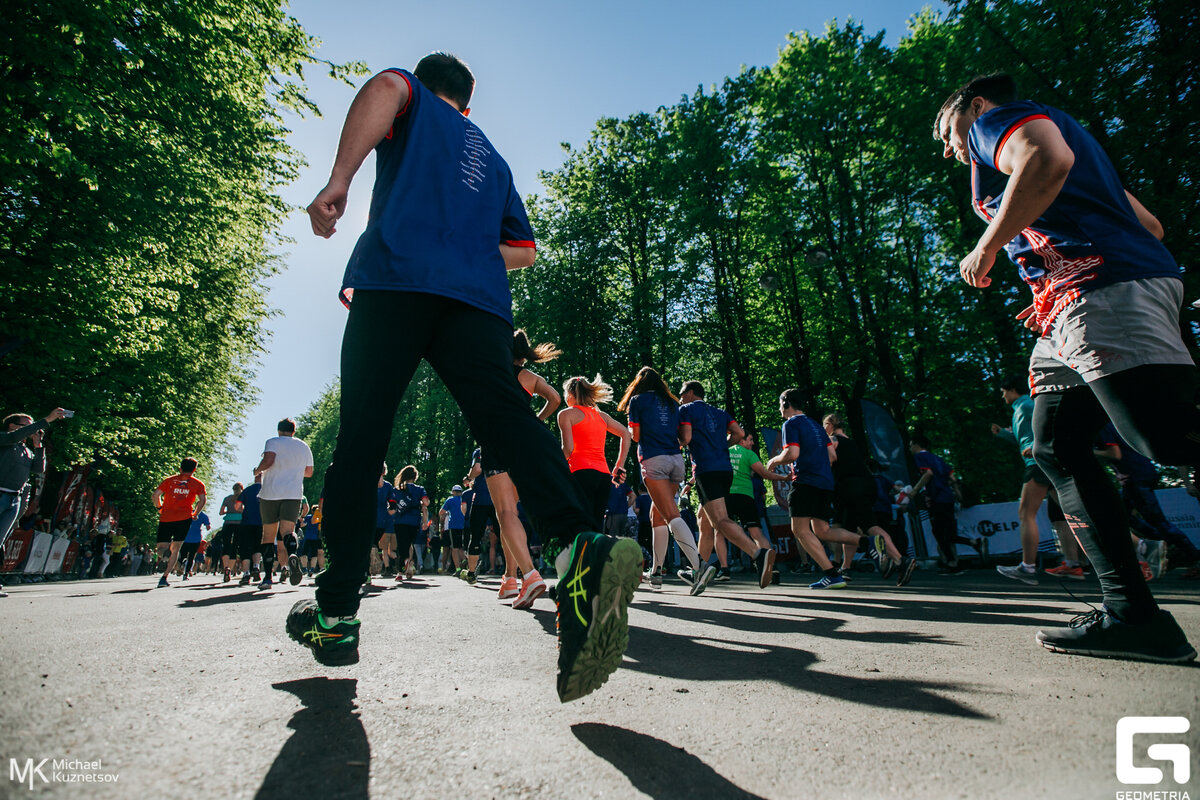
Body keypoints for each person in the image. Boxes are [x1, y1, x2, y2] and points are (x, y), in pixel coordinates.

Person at [291, 52, 642, 701]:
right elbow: (526, 253)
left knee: (363, 440)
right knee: (506, 422)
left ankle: (336, 615)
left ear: (427, 87)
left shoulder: (411, 98)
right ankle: (577, 547)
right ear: (470, 106)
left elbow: (384, 88)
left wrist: (339, 178)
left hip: (395, 278)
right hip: (477, 301)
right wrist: (468, 249)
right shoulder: (491, 156)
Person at [935, 72, 1197, 662]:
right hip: (1070, 309)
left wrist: (988, 245)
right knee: (1055, 443)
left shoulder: (992, 123)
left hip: (1102, 290)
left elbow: (1046, 159)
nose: (951, 150)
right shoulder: (1083, 149)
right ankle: (1133, 615)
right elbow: (1150, 226)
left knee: (1165, 438)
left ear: (974, 107)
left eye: (946, 135)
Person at [677, 381, 776, 595]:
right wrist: (723, 445)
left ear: (691, 393)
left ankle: (757, 554)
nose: (680, 398)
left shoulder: (685, 409)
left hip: (706, 468)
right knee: (704, 520)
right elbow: (739, 434)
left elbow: (685, 438)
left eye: (681, 394)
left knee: (720, 521)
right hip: (724, 469)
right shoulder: (720, 412)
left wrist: (672, 444)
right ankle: (698, 569)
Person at [766, 390, 863, 589]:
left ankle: (831, 575)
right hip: (825, 483)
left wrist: (773, 461)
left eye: (779, 403)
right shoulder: (818, 427)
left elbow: (792, 453)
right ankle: (868, 544)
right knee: (822, 530)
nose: (779, 408)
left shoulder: (791, 424)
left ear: (786, 403)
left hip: (805, 481)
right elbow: (832, 456)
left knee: (799, 530)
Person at [617, 367, 701, 590]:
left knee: (672, 515)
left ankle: (699, 567)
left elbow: (635, 436)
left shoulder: (637, 401)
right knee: (658, 514)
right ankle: (656, 573)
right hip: (676, 461)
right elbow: (683, 437)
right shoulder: (673, 403)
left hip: (654, 460)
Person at [991, 377, 1081, 583]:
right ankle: (1137, 545)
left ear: (1012, 389)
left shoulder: (1027, 405)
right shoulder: (1020, 409)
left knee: (1025, 513)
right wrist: (1003, 434)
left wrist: (1037, 446)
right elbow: (1023, 438)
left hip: (1038, 464)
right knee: (1076, 513)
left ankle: (1028, 567)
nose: (1002, 395)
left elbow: (1049, 425)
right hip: (1044, 462)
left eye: (1003, 391)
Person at [1095, 423, 1200, 578]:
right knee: (1121, 516)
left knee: (1157, 520)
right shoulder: (1115, 424)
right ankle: (1159, 543)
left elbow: (1114, 453)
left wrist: (1089, 451)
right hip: (1138, 474)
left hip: (1135, 476)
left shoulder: (1102, 428)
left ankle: (1191, 555)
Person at [822, 413, 912, 583]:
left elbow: (829, 460)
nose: (823, 429)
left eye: (824, 424)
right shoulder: (852, 442)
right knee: (852, 528)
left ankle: (900, 560)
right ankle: (846, 567)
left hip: (850, 487)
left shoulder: (833, 440)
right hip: (864, 486)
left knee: (870, 527)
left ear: (831, 424)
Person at [0, 408, 67, 596]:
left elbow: (39, 469)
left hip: (14, 499)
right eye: (27, 427)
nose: (31, 430)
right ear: (12, 426)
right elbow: (15, 437)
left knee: (0, 540)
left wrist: (38, 446)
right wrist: (47, 419)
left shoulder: (27, 450)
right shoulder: (5, 440)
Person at [558, 374, 631, 531]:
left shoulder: (566, 414)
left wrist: (555, 465)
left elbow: (568, 449)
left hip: (579, 473)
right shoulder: (602, 416)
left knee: (579, 524)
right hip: (603, 476)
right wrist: (619, 466)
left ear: (570, 394)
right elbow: (626, 433)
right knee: (597, 525)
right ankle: (596, 555)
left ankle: (580, 555)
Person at [254, 419, 314, 590]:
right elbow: (309, 472)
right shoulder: (303, 446)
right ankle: (293, 555)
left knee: (268, 536)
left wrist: (257, 471)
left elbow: (268, 461)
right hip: (293, 494)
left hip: (271, 493)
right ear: (293, 431)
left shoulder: (272, 442)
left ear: (279, 430)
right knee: (288, 531)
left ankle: (267, 579)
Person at [909, 434, 977, 574]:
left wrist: (915, 490)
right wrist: (959, 496)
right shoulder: (938, 458)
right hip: (948, 497)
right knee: (949, 532)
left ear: (917, 445)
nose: (910, 448)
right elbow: (952, 478)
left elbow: (927, 473)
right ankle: (966, 551)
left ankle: (953, 562)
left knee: (939, 533)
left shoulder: (920, 457)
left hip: (937, 498)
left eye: (910, 445)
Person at [152, 457, 206, 588]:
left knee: (161, 548)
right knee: (176, 548)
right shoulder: (197, 484)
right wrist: (195, 513)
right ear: (194, 470)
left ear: (180, 467)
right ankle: (164, 577)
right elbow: (202, 500)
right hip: (184, 518)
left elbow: (155, 495)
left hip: (166, 517)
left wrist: (159, 507)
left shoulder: (169, 481)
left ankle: (164, 557)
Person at [392, 465, 428, 581]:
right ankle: (407, 565)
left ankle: (401, 570)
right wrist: (425, 521)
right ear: (415, 477)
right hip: (414, 520)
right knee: (410, 544)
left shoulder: (396, 489)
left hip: (400, 520)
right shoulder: (420, 489)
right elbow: (426, 503)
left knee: (402, 545)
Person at [235, 474, 264, 586]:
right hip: (261, 522)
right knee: (258, 546)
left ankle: (246, 574)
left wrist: (245, 510)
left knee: (245, 548)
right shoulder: (267, 489)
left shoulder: (247, 490)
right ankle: (256, 567)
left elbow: (237, 506)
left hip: (247, 522)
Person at [439, 485, 467, 576]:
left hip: (454, 526)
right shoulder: (464, 499)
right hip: (465, 525)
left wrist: (447, 512)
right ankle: (466, 560)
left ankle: (458, 569)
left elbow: (441, 512)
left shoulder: (450, 500)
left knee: (454, 548)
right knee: (461, 546)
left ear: (453, 492)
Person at [217, 483, 243, 582]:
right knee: (235, 546)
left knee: (226, 545)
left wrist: (228, 512)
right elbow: (243, 511)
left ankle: (226, 567)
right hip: (239, 524)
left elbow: (221, 512)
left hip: (228, 523)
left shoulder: (227, 498)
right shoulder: (243, 499)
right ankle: (230, 570)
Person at [180, 511, 210, 579]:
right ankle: (186, 573)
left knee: (183, 554)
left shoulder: (188, 512)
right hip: (196, 539)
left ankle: (182, 563)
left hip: (185, 537)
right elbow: (208, 527)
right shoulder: (203, 515)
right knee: (191, 557)